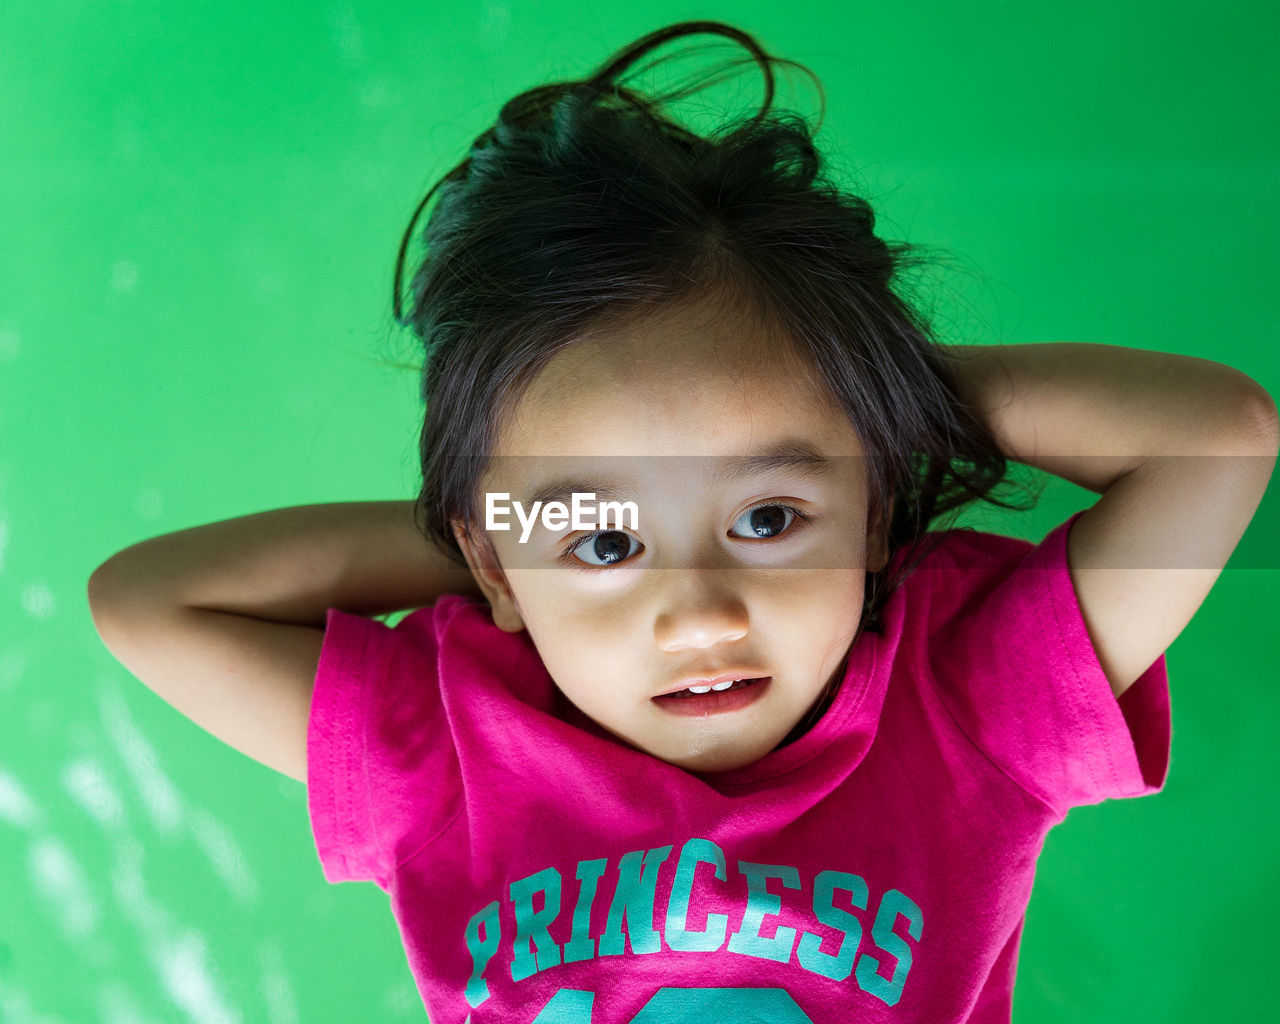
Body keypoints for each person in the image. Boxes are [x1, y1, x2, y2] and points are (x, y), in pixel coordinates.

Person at [88, 18, 1276, 1024]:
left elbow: (1215, 438)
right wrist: (503, 548)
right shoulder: (451, 749)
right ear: (492, 557)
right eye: (606, 542)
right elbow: (148, 602)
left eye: (767, 516)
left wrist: (871, 394)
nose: (697, 611)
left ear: (867, 512)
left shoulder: (963, 713)